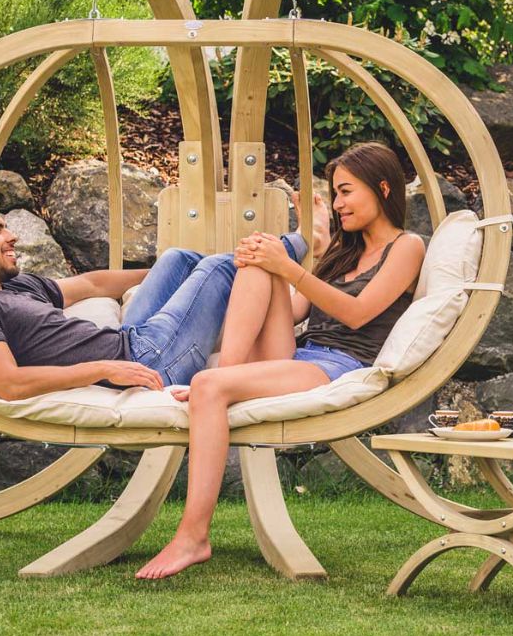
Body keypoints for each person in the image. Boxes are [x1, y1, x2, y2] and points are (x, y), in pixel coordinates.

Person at [136, 142, 425, 580]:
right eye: (335, 194)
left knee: (210, 386)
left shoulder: (406, 247)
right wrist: (266, 260)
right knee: (258, 262)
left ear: (383, 188)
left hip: (339, 365)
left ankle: (193, 537)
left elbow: (358, 313)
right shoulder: (344, 252)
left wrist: (289, 268)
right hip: (300, 354)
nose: (339, 203)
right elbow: (292, 311)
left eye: (346, 191)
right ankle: (226, 374)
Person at [0, 192, 307, 399]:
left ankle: (252, 283)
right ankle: (304, 243)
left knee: (178, 259)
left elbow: (91, 285)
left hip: (130, 340)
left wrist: (183, 281)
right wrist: (102, 369)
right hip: (149, 360)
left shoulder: (15, 285)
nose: (12, 237)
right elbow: (8, 383)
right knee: (219, 268)